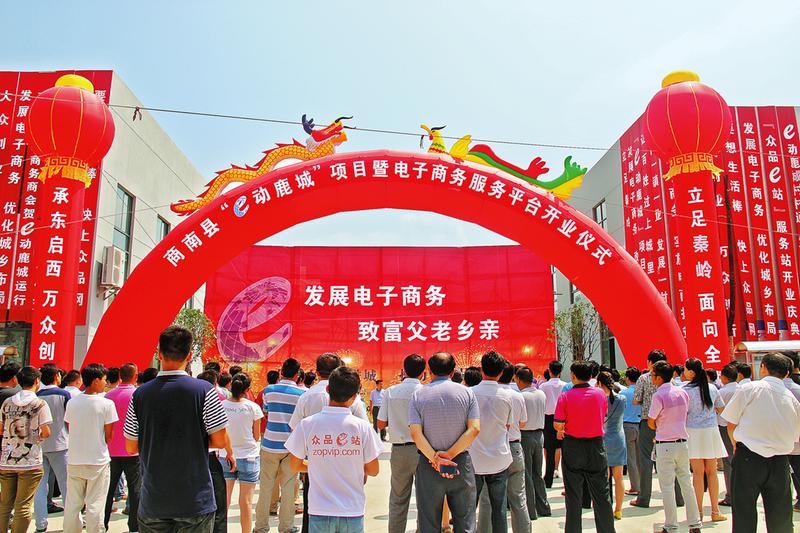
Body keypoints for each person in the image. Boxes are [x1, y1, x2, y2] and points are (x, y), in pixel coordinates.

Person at [124, 326, 231, 533]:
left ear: (159, 354)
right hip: (195, 499)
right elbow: (220, 440)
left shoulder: (140, 395)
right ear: (189, 355)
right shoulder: (205, 391)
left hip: (154, 500)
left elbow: (130, 446)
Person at [285, 367, 382, 533]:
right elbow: (373, 470)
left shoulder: (307, 424)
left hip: (319, 510)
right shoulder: (363, 427)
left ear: (328, 389)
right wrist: (349, 465)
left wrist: (320, 465)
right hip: (352, 509)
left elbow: (295, 465)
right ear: (355, 397)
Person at [722, 353, 800, 532]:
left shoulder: (749, 388)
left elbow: (731, 423)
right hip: (780, 460)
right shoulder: (791, 399)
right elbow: (796, 434)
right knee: (780, 515)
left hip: (748, 456)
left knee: (744, 512)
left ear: (763, 367)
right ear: (787, 373)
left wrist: (735, 444)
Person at [409, 352, 480, 533]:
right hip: (460, 462)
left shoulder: (418, 394)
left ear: (429, 370)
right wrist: (449, 455)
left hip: (429, 464)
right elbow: (474, 429)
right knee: (465, 523)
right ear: (453, 371)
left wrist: (437, 459)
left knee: (428, 523)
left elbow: (416, 434)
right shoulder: (467, 393)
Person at [553, 360, 615, 533]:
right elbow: (603, 414)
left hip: (573, 446)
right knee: (602, 495)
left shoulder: (566, 396)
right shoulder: (600, 394)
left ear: (573, 376)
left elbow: (558, 423)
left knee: (573, 496)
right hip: (596, 445)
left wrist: (562, 429)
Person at [63, 363, 117, 533]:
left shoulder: (72, 402)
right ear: (95, 381)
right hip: (97, 460)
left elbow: (69, 426)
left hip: (75, 459)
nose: (105, 382)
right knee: (95, 505)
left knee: (72, 505)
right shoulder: (107, 404)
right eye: (104, 379)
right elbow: (109, 435)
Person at [648, 361, 701, 533]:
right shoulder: (682, 392)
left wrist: (659, 426)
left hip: (665, 443)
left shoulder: (659, 396)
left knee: (667, 487)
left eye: (653, 375)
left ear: (659, 377)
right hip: (682, 442)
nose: (651, 377)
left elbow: (651, 421)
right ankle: (694, 524)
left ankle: (671, 526)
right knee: (686, 483)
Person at [254, 357, 305, 533]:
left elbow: (267, 413)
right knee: (289, 487)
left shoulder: (268, 391)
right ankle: (286, 526)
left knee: (266, 487)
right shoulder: (302, 395)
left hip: (269, 444)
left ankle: (261, 526)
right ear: (297, 375)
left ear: (281, 372)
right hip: (291, 446)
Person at [477, 359, 529, 533]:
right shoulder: (515, 396)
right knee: (517, 498)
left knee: (486, 501)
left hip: (485, 451)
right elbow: (518, 423)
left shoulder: (472, 393)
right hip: (511, 448)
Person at [376, 353, 425, 533]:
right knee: (424, 498)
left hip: (399, 450)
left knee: (398, 498)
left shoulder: (390, 392)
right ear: (423, 372)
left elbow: (381, 423)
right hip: (422, 450)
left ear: (404, 370)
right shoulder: (425, 392)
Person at [631, 349, 685, 509]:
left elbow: (636, 400)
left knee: (645, 460)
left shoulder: (644, 378)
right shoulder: (672, 381)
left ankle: (644, 498)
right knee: (672, 461)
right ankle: (678, 497)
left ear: (649, 362)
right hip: (668, 424)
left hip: (648, 422)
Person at [0, 366, 52, 533]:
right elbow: (46, 432)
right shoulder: (39, 403)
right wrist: (37, 437)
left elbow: (1, 429)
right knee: (23, 505)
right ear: (37, 381)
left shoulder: (7, 403)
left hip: (7, 459)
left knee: (4, 505)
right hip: (30, 461)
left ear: (18, 380)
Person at [681, 357, 727, 523]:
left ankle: (698, 512)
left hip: (692, 432)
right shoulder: (712, 388)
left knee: (697, 473)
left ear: (691, 372)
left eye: (685, 369)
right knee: (712, 472)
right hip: (710, 431)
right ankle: (715, 511)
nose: (684, 372)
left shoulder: (684, 391)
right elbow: (721, 409)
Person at [220, 373, 263, 533]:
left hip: (226, 455)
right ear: (247, 389)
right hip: (249, 456)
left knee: (224, 501)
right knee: (246, 502)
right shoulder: (253, 407)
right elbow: (257, 436)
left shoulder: (221, 406)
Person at [103, 363, 140, 533]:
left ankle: (103, 524)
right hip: (133, 450)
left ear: (119, 376)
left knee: (107, 490)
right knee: (135, 490)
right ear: (135, 376)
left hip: (110, 450)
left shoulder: (108, 396)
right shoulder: (138, 395)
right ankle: (134, 526)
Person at [197, 370, 235, 533]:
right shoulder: (217, 398)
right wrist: (230, 453)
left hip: (192, 456)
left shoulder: (191, 398)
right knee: (219, 502)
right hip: (211, 457)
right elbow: (222, 432)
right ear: (215, 383)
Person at [34, 364, 71, 532]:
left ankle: (40, 524)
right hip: (61, 443)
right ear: (56, 376)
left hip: (40, 445)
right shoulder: (64, 395)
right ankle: (71, 522)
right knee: (66, 485)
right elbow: (69, 420)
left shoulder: (37, 396)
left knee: (40, 487)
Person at [515, 366, 551, 519]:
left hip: (525, 435)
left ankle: (531, 510)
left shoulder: (521, 396)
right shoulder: (541, 393)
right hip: (539, 435)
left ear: (518, 379)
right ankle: (543, 506)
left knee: (527, 474)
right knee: (537, 472)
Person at [596, 371, 626, 520]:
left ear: (600, 383)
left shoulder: (599, 399)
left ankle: (605, 508)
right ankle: (618, 509)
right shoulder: (622, 399)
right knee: (619, 477)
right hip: (619, 439)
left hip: (603, 438)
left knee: (604, 477)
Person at [540, 360, 566, 488]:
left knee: (549, 449)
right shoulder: (565, 385)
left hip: (548, 418)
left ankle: (548, 479)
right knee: (564, 448)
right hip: (563, 418)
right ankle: (565, 479)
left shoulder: (543, 386)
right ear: (560, 372)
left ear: (549, 371)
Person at [716, 362, 738, 507]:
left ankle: (730, 495)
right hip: (741, 428)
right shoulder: (743, 389)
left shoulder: (722, 392)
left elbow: (718, 410)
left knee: (728, 461)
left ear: (724, 377)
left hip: (725, 427)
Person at [618, 366, 641, 496]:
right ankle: (643, 485)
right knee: (641, 458)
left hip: (627, 426)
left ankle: (635, 486)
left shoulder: (623, 394)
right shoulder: (642, 392)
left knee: (631, 459)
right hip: (641, 425)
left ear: (627, 378)